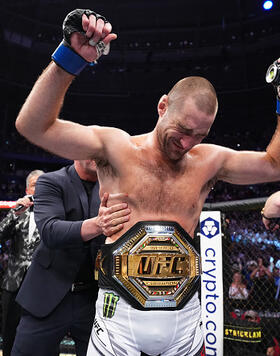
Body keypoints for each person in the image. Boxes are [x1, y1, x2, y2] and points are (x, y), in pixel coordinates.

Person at [13, 8, 280, 356]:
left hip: (185, 323)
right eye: (183, 130)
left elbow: (273, 165)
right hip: (117, 322)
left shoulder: (209, 160)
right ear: (162, 106)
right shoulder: (116, 147)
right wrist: (69, 59)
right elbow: (33, 127)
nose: (187, 144)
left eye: (200, 135)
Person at [11, 160, 130, 356]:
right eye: (90, 149)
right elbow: (50, 231)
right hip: (48, 293)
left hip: (96, 298)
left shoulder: (116, 186)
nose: (96, 156)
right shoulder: (51, 181)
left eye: (100, 151)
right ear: (75, 150)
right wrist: (100, 224)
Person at [0, 170, 44, 356]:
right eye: (35, 184)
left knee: (43, 335)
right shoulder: (18, 212)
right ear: (27, 189)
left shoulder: (54, 212)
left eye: (43, 184)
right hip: (13, 282)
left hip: (42, 283)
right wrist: (15, 211)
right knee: (9, 332)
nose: (39, 188)